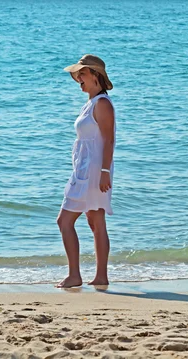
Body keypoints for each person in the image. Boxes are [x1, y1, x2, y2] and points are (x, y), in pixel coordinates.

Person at [56, 55, 116, 288]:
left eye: (82, 74)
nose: (78, 78)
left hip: (93, 171)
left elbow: (109, 140)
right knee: (95, 220)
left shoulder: (102, 104)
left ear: (95, 74)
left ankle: (75, 275)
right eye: (77, 75)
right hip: (86, 168)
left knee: (65, 221)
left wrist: (104, 171)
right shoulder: (92, 102)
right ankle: (100, 277)